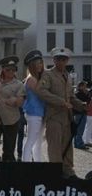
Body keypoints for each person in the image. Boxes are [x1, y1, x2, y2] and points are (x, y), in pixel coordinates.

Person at [37, 47, 87, 180]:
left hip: (67, 117)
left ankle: (68, 171)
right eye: (58, 59)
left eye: (64, 59)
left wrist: (81, 105)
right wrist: (60, 102)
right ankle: (55, 173)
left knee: (67, 145)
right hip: (54, 116)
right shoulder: (47, 74)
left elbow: (70, 96)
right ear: (54, 60)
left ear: (67, 61)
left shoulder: (67, 75)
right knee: (54, 146)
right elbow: (42, 92)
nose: (61, 62)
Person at [21, 50, 46, 162]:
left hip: (39, 114)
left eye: (41, 62)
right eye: (38, 63)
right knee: (31, 141)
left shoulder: (36, 78)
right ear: (32, 65)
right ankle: (26, 168)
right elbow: (42, 94)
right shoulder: (31, 79)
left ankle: (37, 167)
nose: (41, 65)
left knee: (38, 143)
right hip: (34, 114)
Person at [74, 81, 90, 149]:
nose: (86, 87)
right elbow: (86, 103)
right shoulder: (80, 94)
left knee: (77, 130)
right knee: (80, 130)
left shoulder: (77, 94)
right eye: (84, 86)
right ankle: (79, 144)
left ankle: (76, 143)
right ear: (80, 86)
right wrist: (88, 95)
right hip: (81, 114)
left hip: (78, 114)